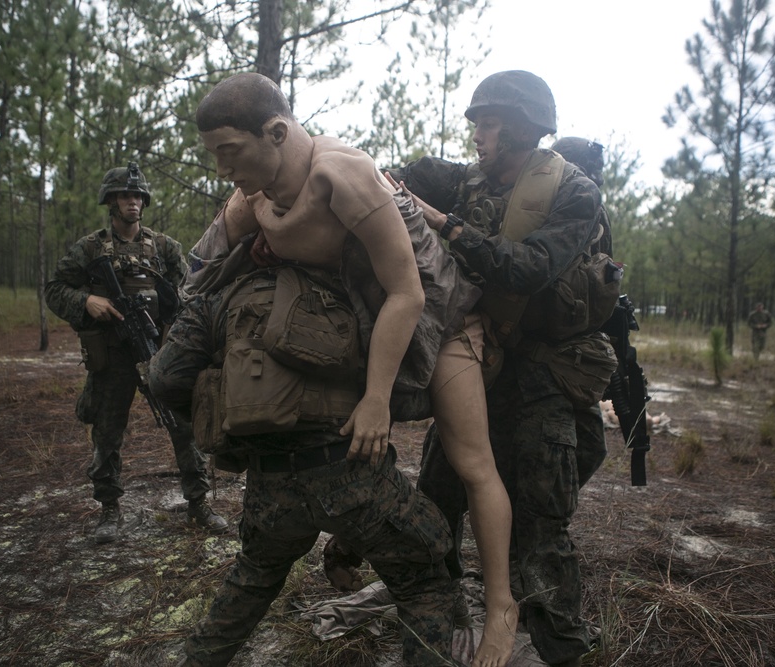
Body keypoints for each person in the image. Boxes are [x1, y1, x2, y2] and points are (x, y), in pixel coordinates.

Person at [149, 72, 465, 667]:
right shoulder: (249, 200)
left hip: (318, 445)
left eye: (230, 152)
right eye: (213, 154)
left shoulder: (342, 175)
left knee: (256, 575)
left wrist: (376, 399)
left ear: (275, 131)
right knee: (425, 573)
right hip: (325, 463)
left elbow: (408, 294)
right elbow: (199, 274)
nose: (221, 168)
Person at [393, 71, 610, 667]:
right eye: (476, 122)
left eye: (487, 122)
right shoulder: (461, 181)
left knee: (541, 530)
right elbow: (379, 178)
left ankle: (564, 651)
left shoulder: (574, 192)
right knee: (435, 503)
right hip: (476, 365)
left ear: (520, 128)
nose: (476, 133)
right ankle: (435, 635)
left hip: (543, 374)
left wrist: (446, 225)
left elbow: (530, 269)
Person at [44, 163, 228, 545]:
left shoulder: (163, 247)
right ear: (110, 202)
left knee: (183, 425)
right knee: (108, 431)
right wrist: (87, 300)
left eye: (138, 196)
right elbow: (55, 289)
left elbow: (192, 291)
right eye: (125, 196)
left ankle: (198, 503)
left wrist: (174, 317)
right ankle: (109, 509)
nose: (133, 202)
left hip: (156, 349)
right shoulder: (91, 248)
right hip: (112, 357)